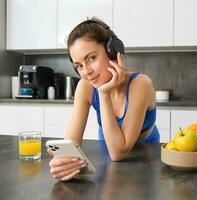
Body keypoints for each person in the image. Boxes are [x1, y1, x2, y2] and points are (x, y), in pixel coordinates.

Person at [48, 18, 160, 181]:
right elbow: (71, 145)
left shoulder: (140, 84)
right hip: (107, 152)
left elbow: (118, 152)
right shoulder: (85, 86)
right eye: (79, 65)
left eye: (92, 58)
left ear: (112, 51)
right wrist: (61, 163)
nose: (86, 72)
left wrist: (103, 93)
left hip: (146, 156)